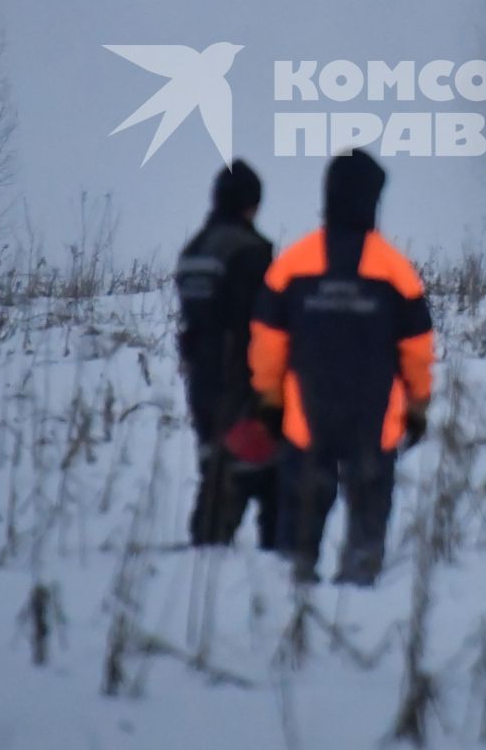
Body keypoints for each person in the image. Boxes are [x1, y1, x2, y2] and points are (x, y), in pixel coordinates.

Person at [248, 149, 433, 586]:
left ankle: (294, 599)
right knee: (367, 523)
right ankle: (360, 591)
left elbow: (268, 341)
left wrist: (270, 400)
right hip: (375, 421)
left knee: (299, 524)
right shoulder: (396, 269)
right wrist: (419, 405)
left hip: (304, 419)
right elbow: (418, 348)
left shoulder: (292, 264)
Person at [174, 160, 276, 548]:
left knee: (215, 462)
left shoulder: (194, 250)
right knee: (261, 470)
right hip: (240, 376)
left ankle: (208, 543)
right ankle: (272, 558)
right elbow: (264, 321)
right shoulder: (250, 251)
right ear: (251, 203)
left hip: (200, 374)